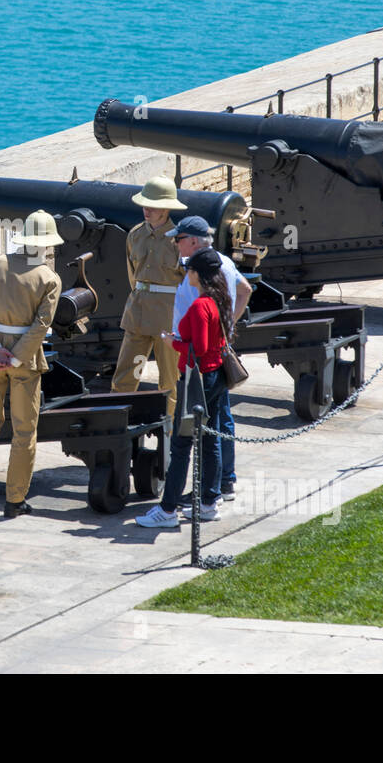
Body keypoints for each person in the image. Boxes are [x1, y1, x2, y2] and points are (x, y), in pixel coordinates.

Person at [0, 209, 63, 518]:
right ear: (47, 244)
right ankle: (14, 499)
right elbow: (41, 325)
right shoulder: (49, 279)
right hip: (24, 361)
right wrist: (16, 356)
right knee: (24, 432)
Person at [135, 248, 230, 527]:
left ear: (198, 274)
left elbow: (197, 349)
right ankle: (210, 501)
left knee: (181, 444)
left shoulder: (201, 305)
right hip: (214, 377)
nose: (186, 273)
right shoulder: (218, 299)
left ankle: (167, 510)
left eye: (189, 269)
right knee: (211, 441)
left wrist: (171, 342)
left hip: (196, 380)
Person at [167, 215, 252, 501]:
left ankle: (211, 488)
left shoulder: (200, 273)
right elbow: (245, 290)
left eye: (179, 240)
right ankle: (223, 482)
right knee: (221, 420)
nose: (176, 245)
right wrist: (225, 329)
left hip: (200, 360)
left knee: (205, 430)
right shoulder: (224, 263)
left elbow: (198, 338)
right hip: (216, 351)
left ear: (192, 241)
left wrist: (177, 342)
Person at [110, 176, 187, 416]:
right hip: (138, 314)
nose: (147, 209)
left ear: (166, 208)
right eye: (145, 204)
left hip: (168, 318)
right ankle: (117, 424)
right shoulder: (134, 235)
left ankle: (172, 433)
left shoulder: (179, 240)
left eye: (153, 205)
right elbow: (132, 275)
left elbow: (188, 283)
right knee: (125, 376)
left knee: (170, 381)